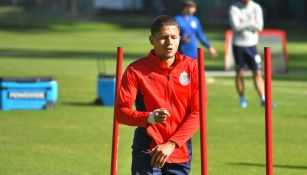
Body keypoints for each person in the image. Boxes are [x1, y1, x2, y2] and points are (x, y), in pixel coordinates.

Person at [115, 15, 205, 174]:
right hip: (147, 149)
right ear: (152, 40)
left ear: (180, 38)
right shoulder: (136, 70)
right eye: (163, 38)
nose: (170, 42)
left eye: (174, 37)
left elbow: (198, 113)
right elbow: (121, 113)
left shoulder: (193, 68)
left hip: (180, 149)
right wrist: (148, 118)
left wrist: (171, 144)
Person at [229, 0, 274, 108]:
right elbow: (235, 27)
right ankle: (242, 98)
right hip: (238, 45)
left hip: (252, 45)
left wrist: (243, 23)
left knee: (257, 72)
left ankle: (263, 99)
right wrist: (250, 23)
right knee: (240, 73)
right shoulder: (234, 8)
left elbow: (260, 26)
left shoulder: (256, 7)